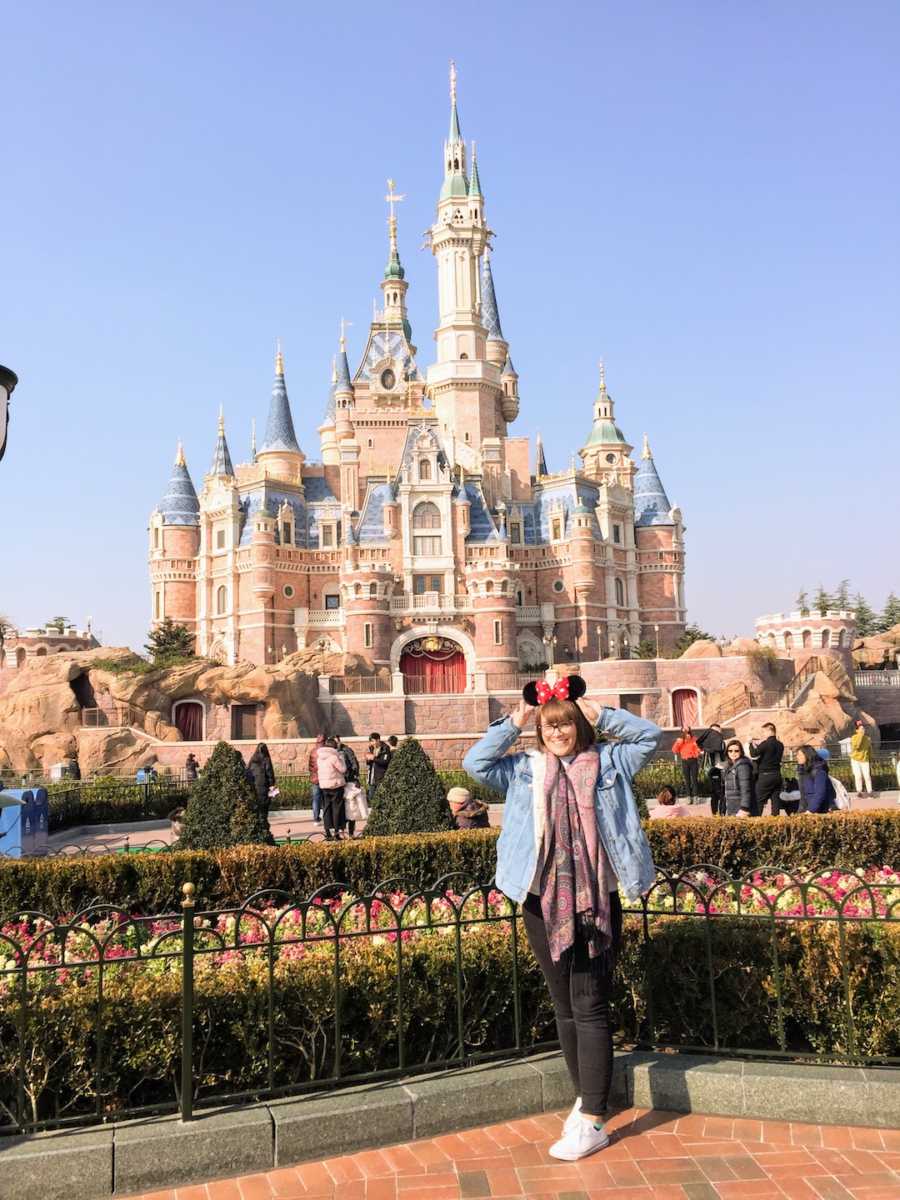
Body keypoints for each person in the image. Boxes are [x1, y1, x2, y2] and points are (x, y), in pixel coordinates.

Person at [463, 679, 660, 1162]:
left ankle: (594, 1118)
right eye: (551, 725)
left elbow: (650, 737)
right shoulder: (525, 770)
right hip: (540, 896)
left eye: (566, 723)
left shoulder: (611, 762)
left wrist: (600, 712)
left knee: (589, 1003)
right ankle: (584, 1098)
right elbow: (475, 763)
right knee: (563, 1004)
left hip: (594, 897)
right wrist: (518, 718)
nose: (558, 732)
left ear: (580, 726)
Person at [316, 737, 347, 840]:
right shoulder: (334, 757)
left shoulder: (320, 757)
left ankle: (327, 831)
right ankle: (337, 831)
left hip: (324, 787)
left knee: (326, 809)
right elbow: (343, 769)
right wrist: (341, 758)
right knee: (337, 809)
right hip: (335, 786)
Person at [750, 723, 784, 816]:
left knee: (758, 801)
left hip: (765, 776)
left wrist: (751, 744)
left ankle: (755, 823)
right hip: (777, 775)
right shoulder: (780, 744)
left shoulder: (766, 744)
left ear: (769, 730)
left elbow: (754, 754)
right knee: (775, 801)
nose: (763, 734)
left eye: (763, 731)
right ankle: (775, 822)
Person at [796, 745, 835, 813]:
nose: (797, 757)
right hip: (807, 809)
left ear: (807, 755)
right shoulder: (803, 770)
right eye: (797, 755)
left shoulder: (819, 770)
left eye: (800, 755)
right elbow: (803, 795)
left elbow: (820, 793)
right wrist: (801, 811)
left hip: (820, 811)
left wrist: (810, 810)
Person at [334, 736, 361, 835]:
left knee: (351, 808)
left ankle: (351, 832)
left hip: (348, 781)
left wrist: (354, 776)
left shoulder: (347, 750)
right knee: (341, 808)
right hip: (339, 783)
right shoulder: (332, 752)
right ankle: (341, 830)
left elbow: (354, 764)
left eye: (337, 742)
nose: (336, 744)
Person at [722, 739, 755, 817]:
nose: (733, 753)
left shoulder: (743, 766)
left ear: (741, 752)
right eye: (730, 751)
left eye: (736, 751)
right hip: (731, 806)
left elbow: (745, 788)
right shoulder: (729, 766)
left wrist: (744, 808)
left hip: (740, 808)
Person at [247, 743, 276, 821]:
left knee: (256, 807)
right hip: (264, 787)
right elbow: (269, 773)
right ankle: (263, 822)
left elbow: (248, 772)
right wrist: (272, 784)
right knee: (264, 808)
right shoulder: (266, 760)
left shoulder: (252, 760)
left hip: (254, 787)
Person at [671, 727, 702, 803]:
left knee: (694, 780)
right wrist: (678, 743)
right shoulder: (680, 740)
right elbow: (674, 750)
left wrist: (697, 752)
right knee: (687, 780)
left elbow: (698, 749)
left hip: (693, 760)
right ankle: (688, 797)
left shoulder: (694, 739)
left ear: (690, 732)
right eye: (685, 732)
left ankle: (695, 797)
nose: (687, 734)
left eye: (688, 732)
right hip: (684, 761)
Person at [849, 721, 874, 797]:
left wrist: (871, 759)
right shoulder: (853, 738)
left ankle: (870, 791)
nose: (863, 730)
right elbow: (856, 747)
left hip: (865, 759)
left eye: (863, 728)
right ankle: (859, 791)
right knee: (858, 776)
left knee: (867, 776)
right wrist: (860, 735)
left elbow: (869, 750)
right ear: (857, 730)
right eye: (861, 729)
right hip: (855, 759)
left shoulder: (868, 739)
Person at [365, 732, 392, 799]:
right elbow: (369, 763)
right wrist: (368, 759)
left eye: (373, 741)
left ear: (378, 740)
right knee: (371, 797)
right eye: (370, 741)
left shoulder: (385, 748)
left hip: (381, 777)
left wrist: (374, 758)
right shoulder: (371, 748)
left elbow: (385, 762)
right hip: (372, 777)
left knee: (381, 798)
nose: (372, 743)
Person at [308, 734, 325, 823]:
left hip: (315, 778)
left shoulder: (313, 751)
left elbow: (310, 766)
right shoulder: (326, 751)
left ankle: (316, 818)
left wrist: (314, 773)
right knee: (325, 798)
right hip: (325, 778)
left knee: (316, 799)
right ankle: (327, 818)